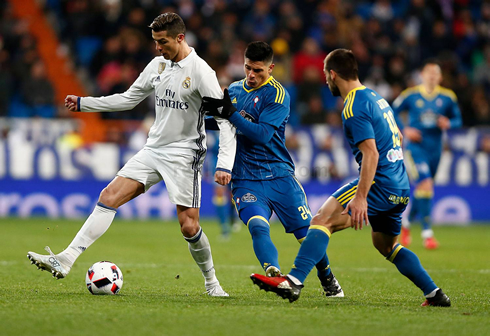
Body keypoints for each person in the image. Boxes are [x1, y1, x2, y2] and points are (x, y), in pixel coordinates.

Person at [27, 13, 236, 297]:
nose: (157, 48)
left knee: (189, 226)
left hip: (185, 154)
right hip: (154, 149)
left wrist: (224, 164)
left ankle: (212, 283)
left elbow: (224, 121)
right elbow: (128, 98)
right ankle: (65, 259)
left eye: (162, 42)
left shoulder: (201, 72)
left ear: (180, 38)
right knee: (108, 197)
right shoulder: (158, 65)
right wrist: (85, 103)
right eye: (155, 42)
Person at [249, 49, 451, 307]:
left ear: (333, 74)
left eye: (325, 75)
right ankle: (435, 294)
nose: (325, 80)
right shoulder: (376, 97)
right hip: (400, 185)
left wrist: (361, 198)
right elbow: (398, 137)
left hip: (379, 183)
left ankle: (293, 282)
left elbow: (371, 153)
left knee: (322, 219)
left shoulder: (353, 105)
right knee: (386, 246)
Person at [201, 41, 343, 298]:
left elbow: (262, 134)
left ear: (271, 68)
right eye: (247, 68)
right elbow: (225, 123)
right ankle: (274, 272)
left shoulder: (278, 95)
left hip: (279, 175)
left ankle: (328, 278)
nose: (251, 75)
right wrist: (206, 118)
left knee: (306, 235)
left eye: (257, 70)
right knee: (257, 225)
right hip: (245, 177)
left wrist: (230, 113)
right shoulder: (234, 89)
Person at [392, 60, 462, 249]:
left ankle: (406, 224)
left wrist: (449, 123)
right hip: (416, 148)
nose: (432, 76)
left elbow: (458, 119)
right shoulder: (411, 95)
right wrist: (405, 129)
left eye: (435, 73)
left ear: (440, 77)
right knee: (426, 184)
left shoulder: (448, 97)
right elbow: (393, 110)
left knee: (424, 189)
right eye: (428, 72)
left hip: (435, 149)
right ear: (422, 75)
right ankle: (427, 233)